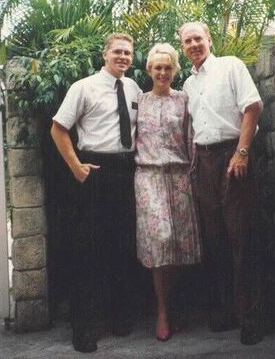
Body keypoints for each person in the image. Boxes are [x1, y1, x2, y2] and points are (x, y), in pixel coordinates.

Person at [51, 33, 142, 353]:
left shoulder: (133, 88)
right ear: (104, 55)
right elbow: (58, 128)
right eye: (117, 51)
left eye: (128, 53)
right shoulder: (83, 87)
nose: (123, 57)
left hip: (126, 171)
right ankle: (84, 328)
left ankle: (118, 318)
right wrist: (76, 167)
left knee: (121, 246)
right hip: (94, 172)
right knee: (89, 251)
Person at [179, 21, 263, 345]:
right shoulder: (187, 84)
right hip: (204, 162)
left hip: (232, 156)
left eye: (198, 38)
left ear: (209, 39)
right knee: (216, 243)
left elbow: (252, 107)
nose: (193, 44)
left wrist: (241, 153)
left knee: (243, 237)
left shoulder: (230, 66)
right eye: (187, 41)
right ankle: (227, 311)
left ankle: (252, 317)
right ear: (183, 47)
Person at [135, 43, 202, 342]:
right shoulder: (138, 102)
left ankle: (173, 305)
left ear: (175, 69)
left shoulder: (185, 100)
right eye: (157, 67)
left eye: (168, 67)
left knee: (177, 244)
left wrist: (193, 175)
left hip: (179, 177)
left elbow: (193, 138)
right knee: (160, 239)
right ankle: (162, 310)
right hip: (149, 177)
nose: (162, 72)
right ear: (149, 70)